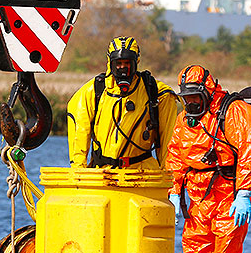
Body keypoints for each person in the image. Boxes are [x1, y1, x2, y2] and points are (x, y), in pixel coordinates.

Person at [165, 65, 251, 253]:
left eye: (195, 97)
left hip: (229, 197)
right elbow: (175, 156)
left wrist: (244, 193)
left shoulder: (233, 112)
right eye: (187, 98)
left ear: (207, 92)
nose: (191, 103)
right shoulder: (184, 120)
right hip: (198, 201)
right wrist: (174, 193)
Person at [67, 36, 177, 169]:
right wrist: (79, 171)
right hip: (102, 173)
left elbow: (168, 140)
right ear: (110, 63)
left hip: (142, 173)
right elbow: (79, 133)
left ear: (136, 62)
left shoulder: (157, 92)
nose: (122, 68)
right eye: (118, 63)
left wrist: (168, 175)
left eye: (127, 63)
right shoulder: (93, 91)